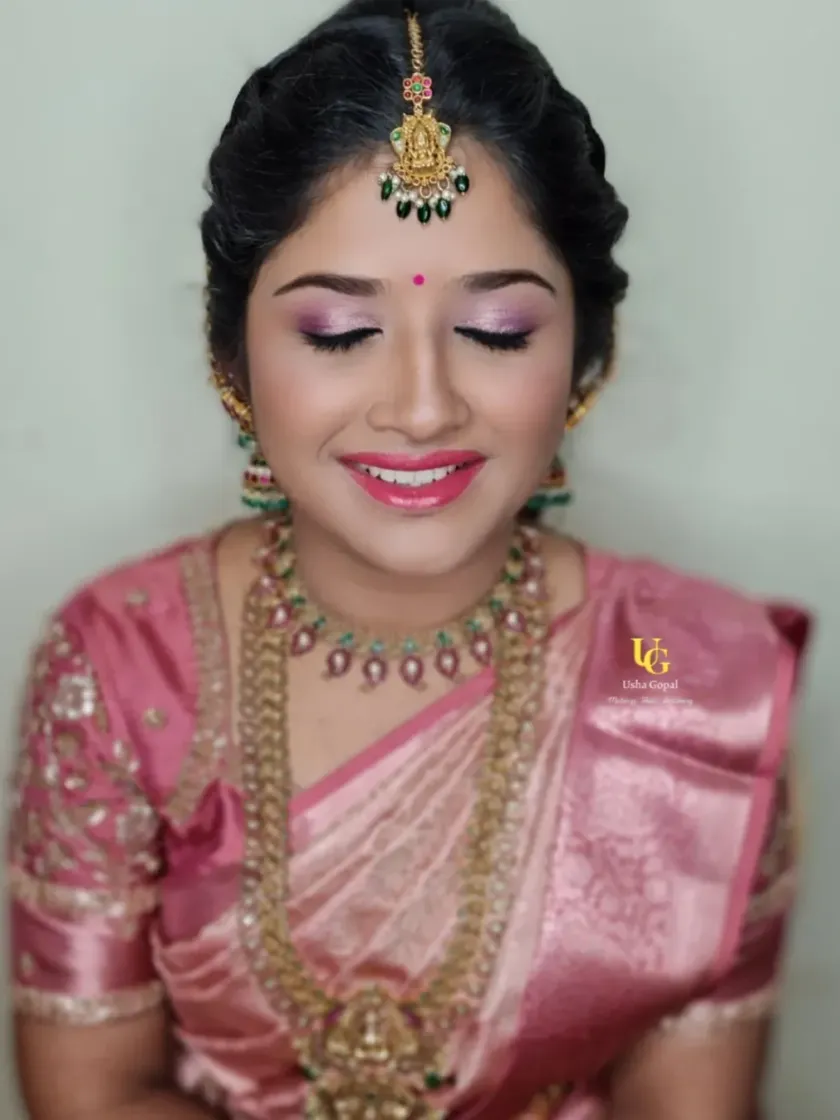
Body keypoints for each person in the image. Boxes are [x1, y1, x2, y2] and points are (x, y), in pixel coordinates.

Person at [6, 2, 811, 1118]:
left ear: (587, 355)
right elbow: (93, 1096)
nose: (423, 408)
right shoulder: (122, 667)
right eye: (339, 333)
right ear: (231, 357)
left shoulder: (690, 684)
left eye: (496, 332)